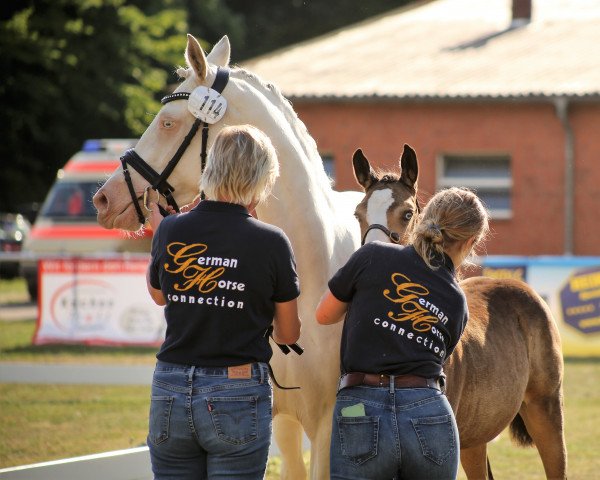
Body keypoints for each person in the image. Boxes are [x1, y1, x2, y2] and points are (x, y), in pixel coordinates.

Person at [145, 124, 302, 479]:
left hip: (171, 382)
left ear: (211, 168)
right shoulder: (272, 241)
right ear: (262, 179)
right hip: (238, 387)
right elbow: (289, 334)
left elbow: (158, 295)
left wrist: (161, 240)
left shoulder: (172, 229)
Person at [316, 187, 489, 480]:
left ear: (422, 221)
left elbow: (324, 315)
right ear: (471, 242)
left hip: (360, 409)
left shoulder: (371, 255)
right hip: (429, 414)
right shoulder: (458, 302)